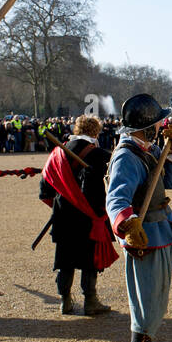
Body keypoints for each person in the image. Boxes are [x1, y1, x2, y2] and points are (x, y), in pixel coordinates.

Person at [105, 93, 172, 342]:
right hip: (143, 237)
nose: (162, 125)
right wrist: (127, 225)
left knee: (157, 301)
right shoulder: (127, 155)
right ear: (147, 127)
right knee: (145, 302)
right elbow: (115, 198)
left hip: (161, 230)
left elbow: (170, 181)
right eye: (158, 123)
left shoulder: (148, 150)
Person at [39, 115, 115, 315]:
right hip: (90, 216)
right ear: (95, 132)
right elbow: (108, 189)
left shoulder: (58, 153)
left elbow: (45, 190)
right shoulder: (100, 154)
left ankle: (65, 300)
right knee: (90, 260)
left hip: (63, 215)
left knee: (66, 260)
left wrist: (59, 207)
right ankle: (91, 301)